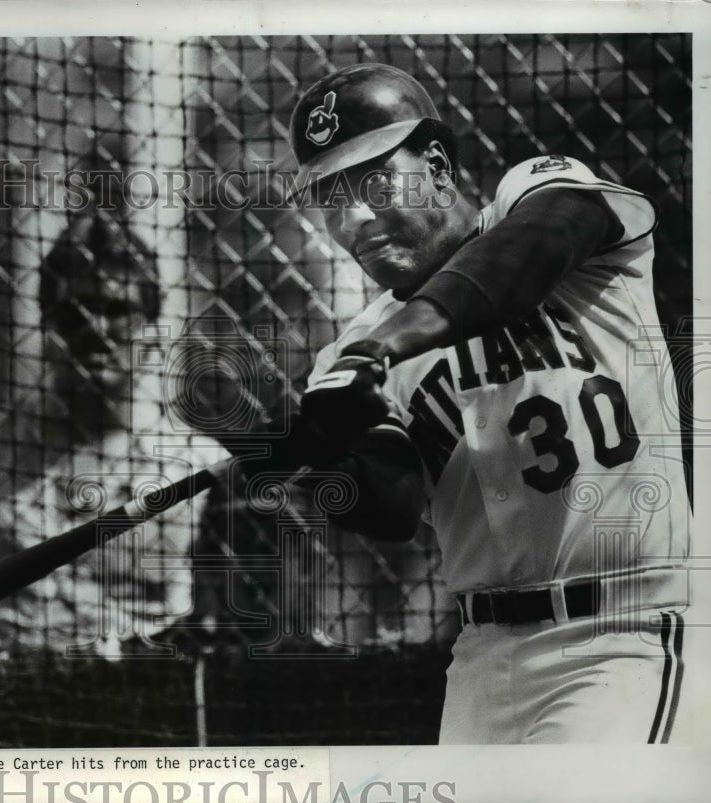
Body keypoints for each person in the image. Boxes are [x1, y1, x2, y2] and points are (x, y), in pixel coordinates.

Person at [269, 62, 694, 743]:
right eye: (330, 198)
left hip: (624, 636)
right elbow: (394, 503)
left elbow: (538, 245)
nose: (352, 220)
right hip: (480, 663)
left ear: (436, 164)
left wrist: (382, 349)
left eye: (374, 183)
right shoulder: (349, 352)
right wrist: (313, 455)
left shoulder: (537, 200)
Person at [0, 213, 226, 658]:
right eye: (74, 314)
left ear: (154, 334)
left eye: (118, 312)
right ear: (47, 328)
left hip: (148, 699)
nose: (96, 331)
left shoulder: (198, 466)